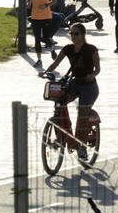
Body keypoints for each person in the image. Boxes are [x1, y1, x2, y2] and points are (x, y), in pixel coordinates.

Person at [41, 23, 100, 159]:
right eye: (71, 34)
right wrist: (45, 72)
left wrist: (93, 75)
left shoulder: (91, 49)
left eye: (76, 34)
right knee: (60, 103)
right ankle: (61, 138)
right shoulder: (68, 49)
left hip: (89, 85)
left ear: (83, 34)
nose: (73, 36)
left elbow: (98, 69)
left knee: (82, 114)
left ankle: (82, 147)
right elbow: (55, 63)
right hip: (74, 83)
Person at [27, 0, 56, 68]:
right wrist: (28, 5)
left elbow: (54, 0)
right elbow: (29, 3)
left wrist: (46, 5)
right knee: (37, 39)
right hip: (35, 17)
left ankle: (52, 50)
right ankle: (39, 60)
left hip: (46, 17)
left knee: (46, 38)